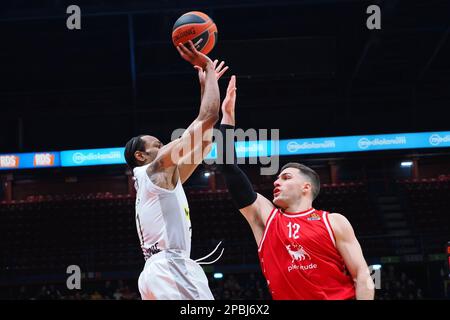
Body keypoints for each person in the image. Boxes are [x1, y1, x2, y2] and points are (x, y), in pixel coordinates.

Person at [216, 76, 375, 300]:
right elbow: (227, 167)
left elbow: (362, 274)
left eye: (286, 177)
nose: (276, 182)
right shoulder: (266, 218)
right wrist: (228, 118)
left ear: (306, 187)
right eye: (277, 178)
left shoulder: (334, 222)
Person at [124, 40, 229, 300]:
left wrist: (205, 87)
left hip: (158, 270)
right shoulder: (155, 169)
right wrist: (207, 66)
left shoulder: (162, 181)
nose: (165, 147)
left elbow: (203, 144)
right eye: (158, 145)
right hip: (170, 265)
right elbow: (208, 119)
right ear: (141, 155)